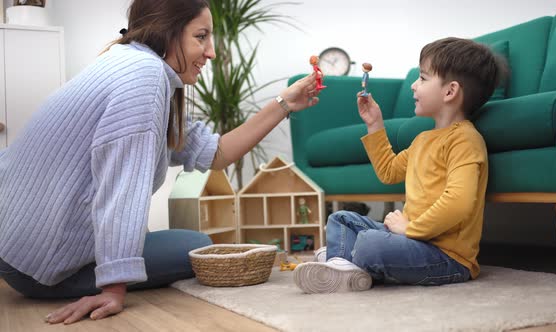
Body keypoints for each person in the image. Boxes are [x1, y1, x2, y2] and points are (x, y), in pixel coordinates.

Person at [0, 0, 320, 324]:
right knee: (194, 246)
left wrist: (285, 103)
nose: (210, 52)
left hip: (15, 246)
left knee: (172, 241)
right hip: (37, 265)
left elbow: (217, 153)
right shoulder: (145, 77)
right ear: (167, 33)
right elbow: (122, 189)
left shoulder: (132, 65)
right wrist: (113, 289)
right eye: (201, 37)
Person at [294, 37, 508, 294]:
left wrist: (411, 228)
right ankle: (343, 266)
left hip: (446, 256)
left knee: (369, 242)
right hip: (410, 238)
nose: (414, 86)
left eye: (423, 78)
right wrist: (374, 124)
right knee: (340, 218)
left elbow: (459, 202)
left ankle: (343, 259)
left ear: (450, 91)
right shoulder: (423, 140)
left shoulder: (465, 140)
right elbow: (388, 172)